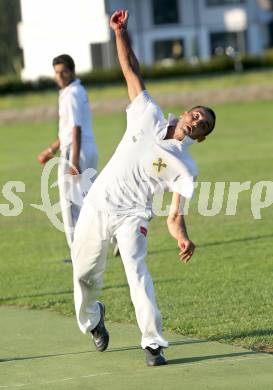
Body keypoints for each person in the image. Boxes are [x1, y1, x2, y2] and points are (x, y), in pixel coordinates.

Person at [71, 10, 216, 367]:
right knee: (83, 275)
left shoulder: (186, 167)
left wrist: (181, 236)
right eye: (197, 114)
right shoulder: (147, 112)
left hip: (132, 215)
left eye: (204, 124)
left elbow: (175, 215)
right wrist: (120, 33)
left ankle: (153, 343)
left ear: (201, 136)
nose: (197, 121)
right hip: (98, 201)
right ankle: (92, 319)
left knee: (137, 274)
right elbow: (131, 70)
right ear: (185, 113)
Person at [37, 54, 98, 249]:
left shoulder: (72, 93)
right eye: (57, 72)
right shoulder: (75, 90)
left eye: (63, 72)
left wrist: (73, 162)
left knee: (69, 205)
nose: (60, 76)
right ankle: (117, 238)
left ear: (72, 71)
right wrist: (50, 150)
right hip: (85, 148)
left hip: (76, 150)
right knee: (90, 201)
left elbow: (75, 129)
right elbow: (68, 130)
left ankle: (77, 253)